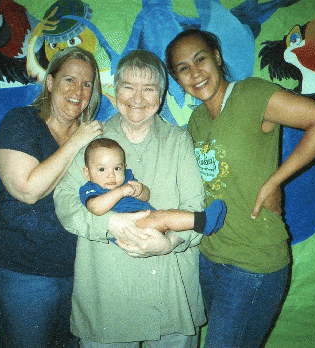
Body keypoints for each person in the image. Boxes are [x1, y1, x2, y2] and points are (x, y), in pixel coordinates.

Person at [165, 29, 315, 348]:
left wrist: (276, 181)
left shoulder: (251, 94)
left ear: (217, 58)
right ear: (177, 79)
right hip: (209, 257)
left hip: (253, 263)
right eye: (182, 68)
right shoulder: (195, 120)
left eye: (200, 59)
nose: (194, 73)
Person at [54, 50, 207, 347]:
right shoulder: (91, 138)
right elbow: (65, 200)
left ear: (161, 95)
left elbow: (194, 208)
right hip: (107, 297)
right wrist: (110, 224)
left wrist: (170, 242)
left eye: (149, 88)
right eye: (128, 86)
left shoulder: (179, 140)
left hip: (171, 294)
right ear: (115, 90)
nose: (138, 98)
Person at [0, 47, 103, 348]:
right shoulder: (22, 121)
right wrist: (77, 142)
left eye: (87, 84)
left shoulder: (93, 140)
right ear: (50, 82)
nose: (78, 91)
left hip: (77, 275)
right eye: (70, 79)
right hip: (21, 274)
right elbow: (27, 190)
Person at [80, 137, 227, 235]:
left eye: (117, 168)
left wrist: (140, 190)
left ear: (124, 167)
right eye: (101, 169)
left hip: (147, 219)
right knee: (164, 217)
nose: (111, 175)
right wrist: (122, 191)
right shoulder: (91, 188)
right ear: (87, 173)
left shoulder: (127, 179)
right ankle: (203, 222)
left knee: (167, 213)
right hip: (130, 227)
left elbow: (147, 196)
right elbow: (96, 208)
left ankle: (204, 221)